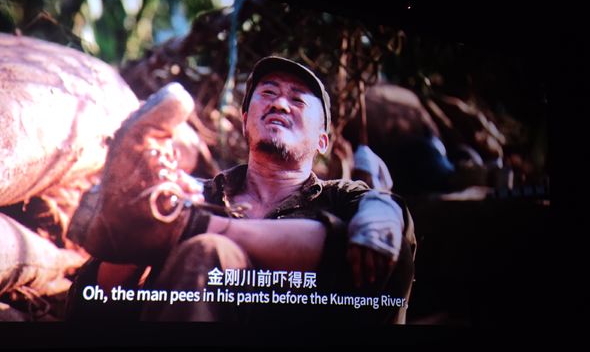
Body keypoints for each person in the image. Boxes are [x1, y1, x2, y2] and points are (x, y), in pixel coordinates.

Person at [67, 57, 415, 324]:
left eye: (297, 100)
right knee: (200, 248)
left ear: (323, 141)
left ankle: (185, 230)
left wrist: (382, 214)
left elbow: (387, 228)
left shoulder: (343, 199)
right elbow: (88, 309)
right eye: (268, 93)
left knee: (380, 242)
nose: (280, 104)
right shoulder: (192, 196)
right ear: (246, 121)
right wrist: (135, 228)